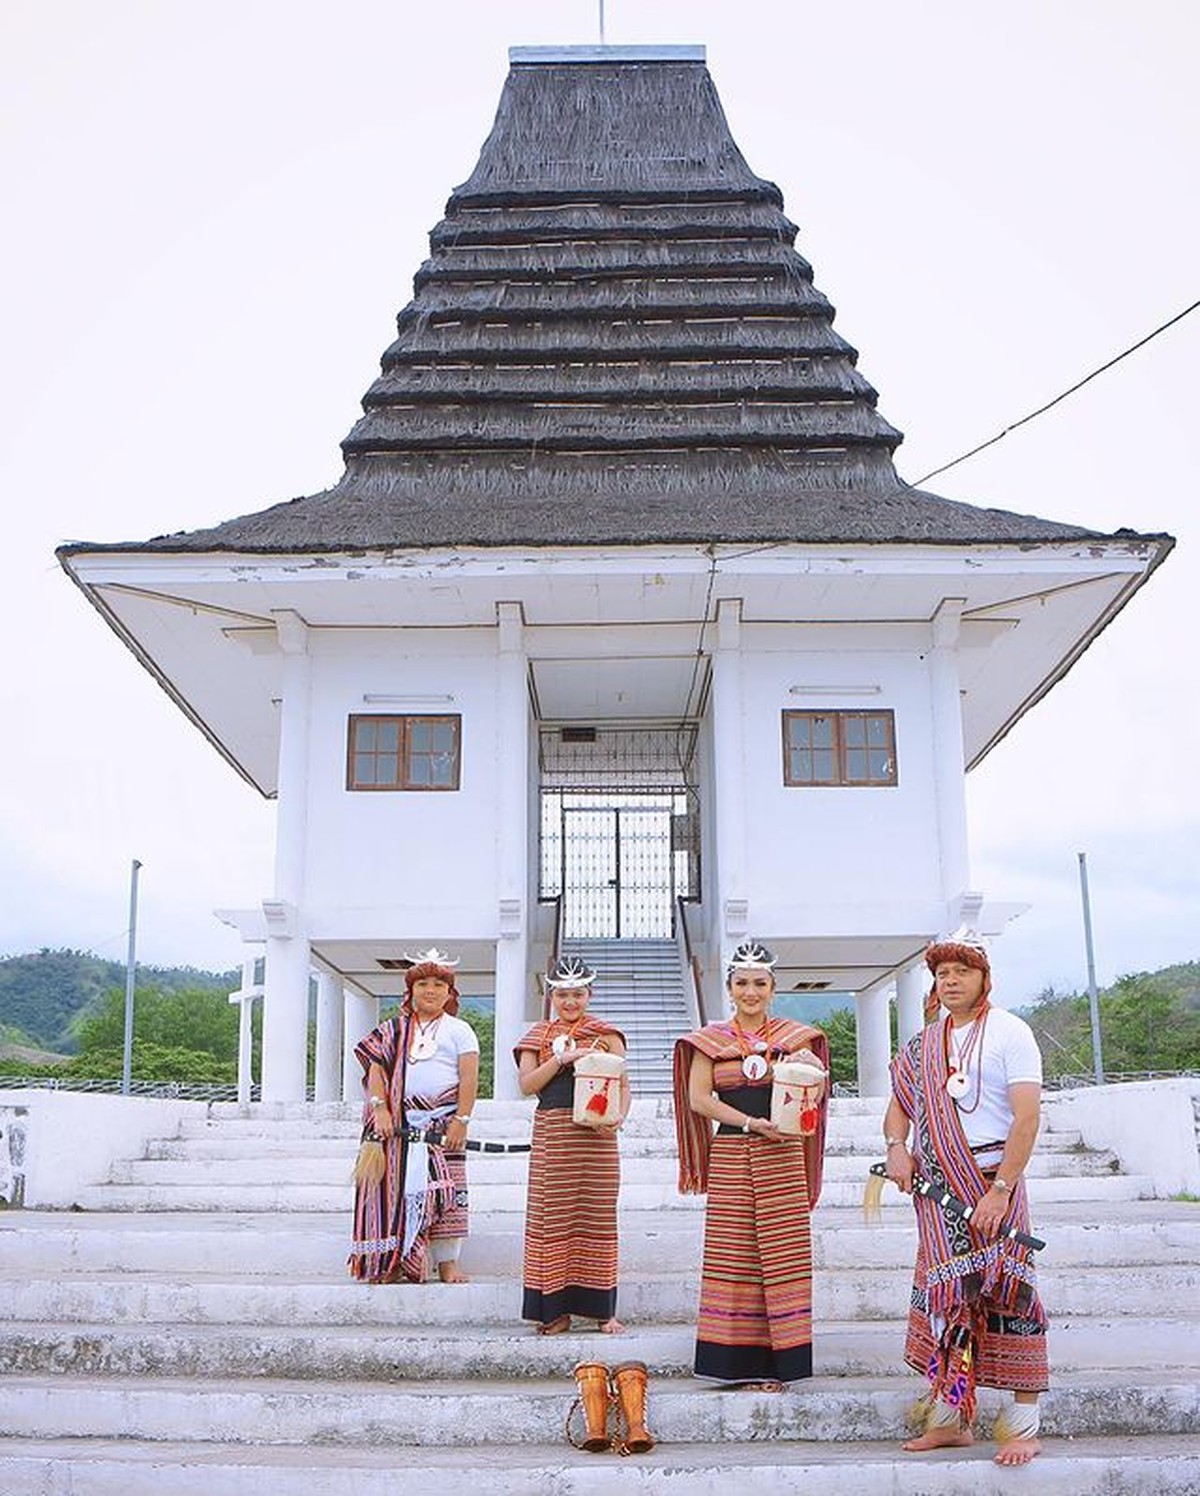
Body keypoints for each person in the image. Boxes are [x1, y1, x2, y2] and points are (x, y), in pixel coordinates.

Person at [882, 930, 1048, 1467]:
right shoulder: (923, 1044)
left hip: (996, 1178)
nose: (949, 981)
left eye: (961, 972)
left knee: (1010, 1293)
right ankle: (951, 1419)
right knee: (945, 1305)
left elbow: (1027, 1119)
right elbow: (899, 1108)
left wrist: (1001, 1190)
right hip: (939, 1190)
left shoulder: (1009, 1032)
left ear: (984, 978)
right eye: (942, 973)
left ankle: (1022, 1426)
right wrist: (896, 1148)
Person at [673, 939, 829, 1389]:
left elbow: (812, 1096)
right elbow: (698, 1099)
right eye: (742, 983)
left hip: (782, 1153)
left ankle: (783, 1363)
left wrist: (807, 1070)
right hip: (733, 1151)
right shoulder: (710, 1041)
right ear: (730, 988)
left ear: (773, 989)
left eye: (760, 983)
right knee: (734, 1254)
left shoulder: (798, 1040)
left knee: (783, 1256)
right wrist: (748, 1122)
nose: (751, 991)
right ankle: (733, 1364)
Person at [349, 947, 480, 1285]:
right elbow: (376, 1068)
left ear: (449, 992)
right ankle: (392, 1260)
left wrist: (461, 1121)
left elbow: (468, 1078)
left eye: (439, 984)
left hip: (444, 1125)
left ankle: (447, 1262)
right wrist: (380, 1108)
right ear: (411, 990)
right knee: (394, 1193)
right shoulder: (392, 1029)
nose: (431, 990)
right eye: (423, 984)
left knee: (449, 1194)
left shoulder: (460, 1030)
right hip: (398, 1127)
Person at [514, 953, 629, 1335]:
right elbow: (528, 1085)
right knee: (552, 1220)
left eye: (577, 994)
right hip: (553, 1132)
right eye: (562, 994)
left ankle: (602, 1310)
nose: (570, 1002)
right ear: (551, 997)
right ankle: (553, 1310)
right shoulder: (538, 1037)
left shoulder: (607, 1035)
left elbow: (623, 1087)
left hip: (597, 1137)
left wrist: (618, 1119)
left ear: (589, 995)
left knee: (597, 1217)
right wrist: (564, 1058)